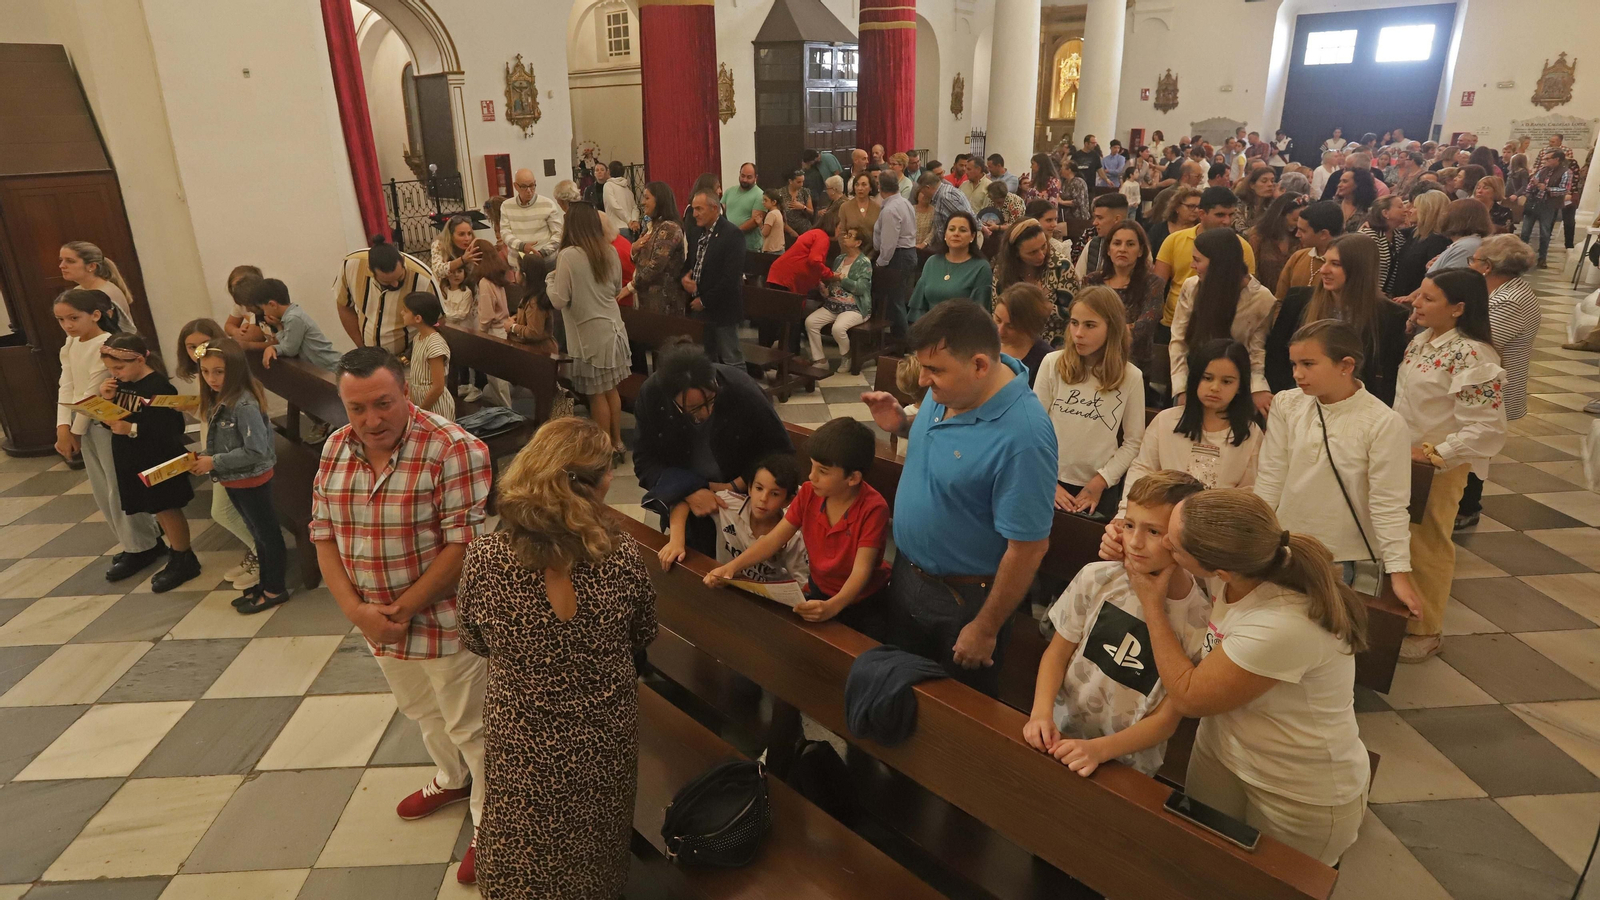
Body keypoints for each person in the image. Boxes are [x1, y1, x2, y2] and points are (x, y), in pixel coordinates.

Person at [313, 347, 492, 885]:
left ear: (406, 393)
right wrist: (357, 612)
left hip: (445, 623)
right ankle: (452, 779)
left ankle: (493, 823)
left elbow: (465, 546)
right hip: (378, 623)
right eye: (357, 408)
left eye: (383, 404)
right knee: (421, 711)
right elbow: (324, 535)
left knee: (473, 725)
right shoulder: (336, 448)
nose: (371, 420)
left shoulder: (454, 449)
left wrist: (400, 609)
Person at [456, 416, 656, 899]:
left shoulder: (486, 559)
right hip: (601, 742)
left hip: (522, 740)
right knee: (597, 849)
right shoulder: (623, 557)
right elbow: (644, 633)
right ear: (597, 482)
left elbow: (473, 639)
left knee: (521, 847)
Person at [1142, 489, 1370, 865]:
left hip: (1295, 789)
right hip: (1223, 751)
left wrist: (1152, 605)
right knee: (1207, 866)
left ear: (1221, 570)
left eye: (1173, 542)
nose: (1165, 542)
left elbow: (1187, 696)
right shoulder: (1243, 567)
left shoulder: (1283, 622)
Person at [860, 300, 1057, 696]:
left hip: (964, 600)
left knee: (948, 718)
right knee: (895, 695)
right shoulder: (954, 389)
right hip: (908, 572)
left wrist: (985, 628)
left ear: (980, 365)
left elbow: (1029, 548)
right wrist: (903, 423)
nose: (924, 382)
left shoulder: (1026, 437)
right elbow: (951, 442)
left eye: (934, 371)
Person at [1025, 471, 1211, 777]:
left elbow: (1166, 719)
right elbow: (1057, 654)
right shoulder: (1098, 578)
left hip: (1128, 763)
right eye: (1129, 525)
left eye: (1153, 531)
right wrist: (1041, 713)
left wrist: (1100, 749)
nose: (1135, 542)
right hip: (1059, 735)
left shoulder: (1200, 621)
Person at [1256, 320, 1420, 609]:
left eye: (1308, 364)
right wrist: (1257, 537)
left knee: (1328, 634)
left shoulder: (1383, 423)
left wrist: (1399, 572)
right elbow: (1271, 475)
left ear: (1346, 365)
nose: (1297, 374)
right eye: (1294, 364)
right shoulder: (1287, 404)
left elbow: (1389, 503)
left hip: (1341, 555)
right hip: (1286, 544)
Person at [1394, 269, 1507, 662]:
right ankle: (1396, 617)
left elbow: (1486, 426)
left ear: (1458, 308)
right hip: (1403, 459)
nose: (1416, 303)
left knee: (1427, 545)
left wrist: (1435, 453)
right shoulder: (1422, 341)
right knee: (1399, 541)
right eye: (1419, 295)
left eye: (1428, 299)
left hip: (1440, 467)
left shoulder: (1473, 354)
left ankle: (1426, 628)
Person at [707, 417, 892, 635]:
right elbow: (774, 540)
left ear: (852, 478)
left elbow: (861, 571)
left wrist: (833, 606)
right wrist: (731, 568)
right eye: (811, 466)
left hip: (862, 600)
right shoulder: (809, 492)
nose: (811, 476)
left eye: (822, 471)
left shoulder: (873, 508)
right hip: (820, 588)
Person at [634, 342, 792, 557]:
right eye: (694, 408)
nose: (707, 413)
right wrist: (690, 490)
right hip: (687, 507)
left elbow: (779, 452)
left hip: (744, 503)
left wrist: (736, 484)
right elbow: (645, 461)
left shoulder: (741, 390)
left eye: (711, 400)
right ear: (672, 399)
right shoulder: (652, 396)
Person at [54, 290, 166, 581]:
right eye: (61, 320)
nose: (67, 325)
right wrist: (62, 428)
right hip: (82, 423)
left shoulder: (107, 345)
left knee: (119, 487)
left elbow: (93, 391)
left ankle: (141, 546)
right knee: (102, 488)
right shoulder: (70, 344)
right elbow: (66, 385)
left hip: (105, 424)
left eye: (73, 318)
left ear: (95, 314)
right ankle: (140, 540)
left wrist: (74, 433)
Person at [97, 333, 201, 592]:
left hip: (158, 457)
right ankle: (176, 555)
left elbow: (171, 426)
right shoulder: (121, 384)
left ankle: (184, 558)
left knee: (167, 507)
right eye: (110, 369)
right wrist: (106, 401)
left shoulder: (159, 387)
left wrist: (131, 428)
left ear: (141, 359)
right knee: (155, 508)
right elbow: (112, 420)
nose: (115, 374)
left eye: (119, 367)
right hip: (132, 457)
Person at [190, 338, 287, 614]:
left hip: (252, 478)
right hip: (234, 477)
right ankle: (264, 585)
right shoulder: (219, 398)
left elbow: (256, 451)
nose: (211, 378)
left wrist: (213, 462)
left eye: (219, 371)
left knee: (267, 535)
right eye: (206, 371)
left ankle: (275, 589)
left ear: (235, 370)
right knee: (257, 534)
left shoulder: (244, 404)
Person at [1035, 287, 1145, 518]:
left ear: (1111, 328)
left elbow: (1133, 442)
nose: (1078, 333)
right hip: (1046, 477)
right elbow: (1033, 429)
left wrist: (1099, 482)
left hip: (1099, 486)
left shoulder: (1131, 377)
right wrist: (1046, 480)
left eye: (1090, 325)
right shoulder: (1052, 363)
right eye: (1074, 323)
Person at [1267, 233, 1410, 405]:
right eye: (1325, 261)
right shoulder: (1298, 300)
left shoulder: (1390, 315)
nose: (1323, 270)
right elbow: (1275, 358)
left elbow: (1388, 377)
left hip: (1356, 407)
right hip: (1299, 401)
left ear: (1359, 269)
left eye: (1335, 264)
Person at [1457, 236, 1539, 527]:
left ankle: (1467, 508)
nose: (1471, 265)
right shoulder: (1504, 292)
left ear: (1487, 267)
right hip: (1485, 382)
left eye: (1473, 261)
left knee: (1475, 445)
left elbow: (1483, 343)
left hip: (1493, 386)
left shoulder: (1510, 300)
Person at [175, 319, 258, 589]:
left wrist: (213, 460)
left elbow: (245, 435)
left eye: (203, 345)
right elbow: (213, 418)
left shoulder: (234, 385)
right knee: (230, 510)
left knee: (222, 511)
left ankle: (262, 554)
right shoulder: (209, 377)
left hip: (232, 457)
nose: (197, 352)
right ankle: (259, 551)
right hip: (219, 453)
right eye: (191, 347)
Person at [551, 202, 630, 460]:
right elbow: (617, 287)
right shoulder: (608, 250)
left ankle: (603, 449)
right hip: (614, 331)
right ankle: (617, 442)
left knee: (596, 395)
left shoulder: (569, 255)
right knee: (611, 390)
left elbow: (559, 300)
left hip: (589, 337)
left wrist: (548, 280)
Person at [1168, 228, 1276, 413]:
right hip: (1193, 376)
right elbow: (1179, 341)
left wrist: (1258, 388)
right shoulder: (1192, 287)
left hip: (1233, 384)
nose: (1192, 266)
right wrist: (1181, 389)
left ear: (1219, 264)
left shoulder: (1262, 298)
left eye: (1197, 260)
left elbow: (1255, 352)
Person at [659, 453, 809, 584]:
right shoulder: (728, 505)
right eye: (759, 488)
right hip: (722, 585)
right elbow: (686, 498)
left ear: (788, 501)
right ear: (749, 488)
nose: (763, 498)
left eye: (774, 494)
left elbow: (802, 585)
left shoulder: (794, 538)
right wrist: (676, 540)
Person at [1153, 187, 1257, 343]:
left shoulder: (1242, 247)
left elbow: (1247, 291)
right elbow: (1157, 287)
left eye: (1231, 215)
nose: (1227, 221)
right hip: (1172, 325)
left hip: (1219, 329)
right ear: (1202, 214)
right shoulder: (1174, 240)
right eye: (1220, 215)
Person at [1085, 220, 1164, 381]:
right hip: (1095, 359)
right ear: (1108, 249)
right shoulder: (1092, 281)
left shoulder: (1152, 283)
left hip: (1135, 362)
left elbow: (1148, 321)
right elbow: (1085, 319)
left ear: (1140, 250)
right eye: (1117, 243)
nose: (1122, 249)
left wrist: (1106, 331)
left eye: (1130, 244)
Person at [336, 236, 441, 356]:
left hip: (411, 356)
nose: (395, 284)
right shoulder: (351, 266)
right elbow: (344, 306)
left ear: (402, 260)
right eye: (387, 282)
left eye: (400, 277)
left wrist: (409, 355)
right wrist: (362, 348)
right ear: (370, 270)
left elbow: (439, 321)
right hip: (371, 356)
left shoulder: (424, 278)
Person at [682, 188, 747, 364]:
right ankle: (711, 391)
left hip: (722, 308)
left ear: (714, 208)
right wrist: (685, 278)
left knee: (731, 359)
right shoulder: (696, 232)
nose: (694, 214)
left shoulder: (732, 234)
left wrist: (704, 301)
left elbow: (730, 278)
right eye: (693, 209)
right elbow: (690, 263)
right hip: (698, 307)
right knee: (704, 359)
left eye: (699, 209)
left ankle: (738, 391)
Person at [992, 217, 1079, 346]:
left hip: (1054, 344)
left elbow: (1076, 313)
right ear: (1016, 253)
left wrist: (1047, 307)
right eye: (1032, 252)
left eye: (1044, 246)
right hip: (1013, 343)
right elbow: (995, 310)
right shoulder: (1002, 271)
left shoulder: (1061, 267)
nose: (1041, 255)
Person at [804, 225, 873, 366]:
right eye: (846, 234)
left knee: (838, 328)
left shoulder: (864, 263)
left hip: (855, 307)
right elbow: (833, 284)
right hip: (834, 304)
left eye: (850, 235)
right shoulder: (840, 258)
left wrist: (842, 278)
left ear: (858, 243)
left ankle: (847, 357)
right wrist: (825, 289)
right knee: (810, 322)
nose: (845, 237)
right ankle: (820, 360)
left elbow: (861, 288)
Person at [618, 182, 688, 316]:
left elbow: (656, 265)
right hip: (648, 301)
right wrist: (634, 248)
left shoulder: (669, 228)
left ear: (660, 200)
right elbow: (638, 259)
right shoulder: (651, 227)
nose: (643, 202)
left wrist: (630, 287)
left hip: (664, 303)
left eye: (647, 198)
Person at [909, 212, 993, 321]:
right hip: (929, 330)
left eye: (962, 230)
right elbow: (919, 307)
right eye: (951, 229)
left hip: (962, 332)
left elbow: (980, 314)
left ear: (972, 236)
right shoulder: (932, 262)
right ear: (945, 235)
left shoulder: (981, 267)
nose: (956, 233)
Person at [249, 278, 342, 371]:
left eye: (264, 309)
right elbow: (286, 343)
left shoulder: (293, 318)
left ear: (272, 304)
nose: (264, 313)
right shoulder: (289, 316)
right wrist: (279, 327)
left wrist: (272, 348)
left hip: (331, 368)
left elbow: (290, 350)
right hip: (321, 367)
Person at [873, 171, 918, 341]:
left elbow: (889, 241)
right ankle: (899, 339)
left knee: (895, 302)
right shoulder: (904, 202)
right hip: (908, 253)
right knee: (898, 299)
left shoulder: (891, 209)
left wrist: (881, 263)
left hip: (897, 257)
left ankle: (903, 343)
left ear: (880, 187)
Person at [401, 292, 455, 421]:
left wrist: (420, 411)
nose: (401, 313)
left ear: (418, 318)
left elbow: (438, 387)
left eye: (405, 310)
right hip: (421, 403)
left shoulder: (435, 343)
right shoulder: (418, 338)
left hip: (435, 406)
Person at [58, 241, 135, 330]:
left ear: (91, 266)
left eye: (70, 261)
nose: (61, 266)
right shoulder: (79, 290)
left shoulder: (104, 293)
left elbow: (101, 333)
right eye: (61, 260)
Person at [1274, 199, 1343, 298]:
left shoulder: (1345, 264)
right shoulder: (1298, 258)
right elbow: (1280, 300)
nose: (1297, 234)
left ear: (1323, 234)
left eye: (1303, 231)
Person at [992, 284, 1055, 387]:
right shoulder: (984, 344)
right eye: (998, 320)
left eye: (1011, 326)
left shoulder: (1044, 360)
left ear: (1029, 326)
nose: (1000, 330)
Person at [1391, 190, 1451, 297]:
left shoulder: (1438, 240)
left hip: (1415, 300)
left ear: (1427, 211)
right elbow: (1388, 230)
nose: (1410, 211)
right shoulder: (1416, 232)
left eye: (1415, 207)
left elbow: (1433, 277)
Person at [499, 169, 564, 262]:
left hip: (545, 262)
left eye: (532, 185)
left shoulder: (547, 204)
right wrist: (522, 246)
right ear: (515, 186)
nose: (529, 190)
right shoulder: (506, 206)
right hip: (518, 264)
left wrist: (542, 253)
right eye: (524, 187)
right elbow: (505, 233)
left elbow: (558, 234)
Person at [1520, 148, 1570, 267]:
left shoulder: (1566, 172)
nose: (1545, 161)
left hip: (1549, 205)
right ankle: (1521, 257)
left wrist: (1547, 189)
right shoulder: (1542, 170)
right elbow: (1530, 185)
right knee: (1525, 231)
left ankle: (1542, 258)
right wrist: (1532, 186)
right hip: (1534, 203)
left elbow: (1564, 189)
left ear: (1557, 159)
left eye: (1548, 159)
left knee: (1545, 232)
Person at [1251, 192, 1307, 297]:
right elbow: (1252, 273)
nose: (1298, 225)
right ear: (1280, 216)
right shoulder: (1258, 237)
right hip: (1262, 297)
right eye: (1295, 220)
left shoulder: (1301, 239)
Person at [1356, 196, 1412, 295]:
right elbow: (1358, 270)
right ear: (1385, 213)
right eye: (1400, 207)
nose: (1406, 210)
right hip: (1364, 295)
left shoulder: (1399, 237)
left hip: (1385, 298)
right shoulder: (1368, 236)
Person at [1073, 193, 1130, 280]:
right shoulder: (1092, 245)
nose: (1094, 223)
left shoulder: (1138, 247)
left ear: (1117, 219)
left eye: (1100, 218)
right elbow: (1078, 280)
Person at [1145, 185, 1202, 266]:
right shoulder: (1159, 229)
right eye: (1191, 206)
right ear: (1177, 207)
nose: (1196, 210)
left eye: (1199, 207)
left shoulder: (1200, 230)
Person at [920, 171, 977, 246]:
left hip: (958, 244)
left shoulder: (945, 197)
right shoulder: (946, 190)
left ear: (927, 187)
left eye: (922, 190)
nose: (922, 194)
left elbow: (964, 219)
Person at [223, 265, 269, 348]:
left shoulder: (259, 309)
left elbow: (254, 337)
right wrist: (236, 331)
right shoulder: (240, 305)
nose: (238, 290)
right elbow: (228, 325)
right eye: (235, 287)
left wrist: (244, 331)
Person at [722, 162, 766, 251]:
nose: (745, 180)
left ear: (755, 178)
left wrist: (734, 233)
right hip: (728, 244)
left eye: (749, 177)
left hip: (749, 247)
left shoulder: (760, 195)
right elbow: (721, 212)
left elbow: (755, 221)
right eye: (742, 176)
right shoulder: (729, 191)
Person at [432, 214, 484, 284]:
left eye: (469, 233)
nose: (467, 238)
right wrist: (463, 259)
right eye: (461, 234)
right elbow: (438, 271)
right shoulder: (439, 245)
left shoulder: (475, 245)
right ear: (451, 235)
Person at [601, 160, 640, 239]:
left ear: (609, 171)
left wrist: (629, 220)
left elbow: (614, 205)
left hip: (616, 228)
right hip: (629, 229)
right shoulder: (627, 189)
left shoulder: (608, 185)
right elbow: (635, 208)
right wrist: (634, 220)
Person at [1232, 167, 1278, 232]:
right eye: (1264, 181)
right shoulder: (1239, 203)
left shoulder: (1273, 204)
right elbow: (1239, 230)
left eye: (1272, 181)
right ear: (1252, 185)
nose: (1270, 184)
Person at [838, 172, 881, 238]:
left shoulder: (877, 208)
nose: (860, 188)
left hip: (874, 247)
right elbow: (841, 234)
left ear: (870, 188)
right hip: (850, 247)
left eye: (864, 185)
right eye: (857, 185)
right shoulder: (844, 207)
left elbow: (880, 233)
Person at [782, 169, 816, 239]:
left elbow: (811, 212)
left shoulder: (805, 192)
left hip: (804, 228)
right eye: (798, 182)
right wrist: (790, 231)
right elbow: (778, 216)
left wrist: (802, 207)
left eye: (802, 182)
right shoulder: (780, 193)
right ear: (790, 181)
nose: (801, 184)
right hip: (787, 230)